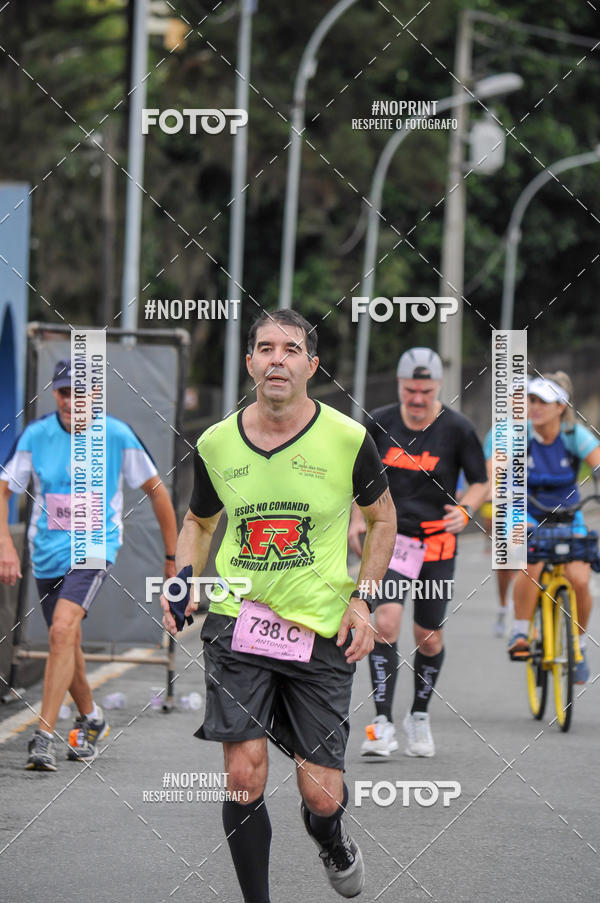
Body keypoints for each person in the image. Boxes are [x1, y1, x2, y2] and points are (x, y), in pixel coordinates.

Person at [161, 309, 396, 902]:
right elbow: (197, 521)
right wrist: (183, 576)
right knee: (243, 778)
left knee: (320, 793)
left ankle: (332, 838)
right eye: (265, 348)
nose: (276, 359)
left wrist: (363, 600)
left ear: (311, 365)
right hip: (239, 624)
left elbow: (382, 518)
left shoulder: (348, 438)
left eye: (291, 349)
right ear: (249, 363)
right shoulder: (216, 442)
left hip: (321, 628)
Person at [0, 359, 178, 770]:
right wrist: (7, 548)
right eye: (64, 392)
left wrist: (172, 559)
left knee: (62, 630)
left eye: (79, 392)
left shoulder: (116, 435)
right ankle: (92, 719)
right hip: (45, 553)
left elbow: (157, 491)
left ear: (95, 395)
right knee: (68, 640)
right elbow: (4, 489)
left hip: (94, 548)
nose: (71, 401)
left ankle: (43, 735)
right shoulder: (36, 435)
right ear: (55, 394)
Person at [349, 347, 488, 758]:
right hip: (392, 540)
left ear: (437, 387)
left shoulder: (458, 429)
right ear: (400, 385)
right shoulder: (378, 424)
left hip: (436, 543)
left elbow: (480, 482)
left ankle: (419, 716)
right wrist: (358, 519)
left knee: (428, 637)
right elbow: (358, 478)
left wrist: (466, 509)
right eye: (410, 390)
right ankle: (381, 723)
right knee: (386, 623)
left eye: (425, 391)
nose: (417, 398)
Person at [507, 372, 600, 683]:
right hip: (526, 512)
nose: (534, 407)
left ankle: (579, 645)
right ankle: (520, 633)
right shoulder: (520, 437)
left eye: (542, 402)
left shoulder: (574, 436)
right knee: (531, 561)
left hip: (568, 513)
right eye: (531, 400)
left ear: (561, 406)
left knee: (580, 579)